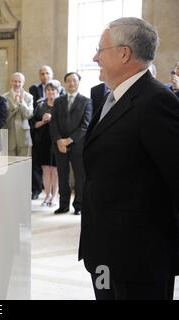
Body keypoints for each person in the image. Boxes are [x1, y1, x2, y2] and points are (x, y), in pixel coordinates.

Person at [80, 17, 179, 300]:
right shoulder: (111, 98)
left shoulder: (156, 101)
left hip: (140, 260)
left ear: (124, 53)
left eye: (100, 49)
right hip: (103, 252)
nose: (94, 57)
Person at [50, 72, 92, 215]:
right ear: (65, 83)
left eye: (74, 80)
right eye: (68, 81)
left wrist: (69, 140)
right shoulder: (58, 101)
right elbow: (53, 122)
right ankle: (63, 205)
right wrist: (59, 140)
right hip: (59, 145)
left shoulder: (86, 101)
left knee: (80, 176)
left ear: (79, 82)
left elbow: (85, 125)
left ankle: (79, 205)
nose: (71, 83)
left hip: (77, 145)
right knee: (62, 175)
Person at [32, 80, 61, 207]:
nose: (50, 92)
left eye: (53, 90)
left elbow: (65, 124)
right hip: (42, 140)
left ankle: (55, 196)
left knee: (55, 170)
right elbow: (34, 125)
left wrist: (52, 119)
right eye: (48, 90)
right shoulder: (40, 105)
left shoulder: (61, 105)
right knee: (45, 169)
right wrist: (44, 121)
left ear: (57, 91)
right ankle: (47, 195)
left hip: (56, 140)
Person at [2, 72, 34, 156]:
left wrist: (21, 102)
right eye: (15, 81)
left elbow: (28, 115)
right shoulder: (3, 97)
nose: (17, 84)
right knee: (10, 165)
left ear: (23, 83)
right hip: (9, 135)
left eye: (19, 82)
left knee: (24, 165)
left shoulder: (29, 97)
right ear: (10, 82)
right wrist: (14, 105)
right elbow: (4, 117)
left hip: (24, 136)